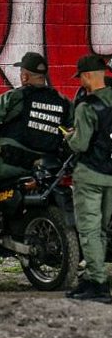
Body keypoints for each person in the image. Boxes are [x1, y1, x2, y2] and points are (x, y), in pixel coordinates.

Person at [0, 52, 73, 250]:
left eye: (21, 73)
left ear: (25, 76)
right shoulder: (62, 101)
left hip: (12, 164)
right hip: (45, 167)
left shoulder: (15, 97)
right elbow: (73, 129)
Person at [65, 55, 112, 303]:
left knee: (89, 230)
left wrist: (69, 137)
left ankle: (98, 283)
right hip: (111, 175)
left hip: (90, 175)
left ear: (87, 76)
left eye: (81, 76)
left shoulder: (87, 106)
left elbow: (81, 143)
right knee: (102, 229)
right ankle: (95, 276)